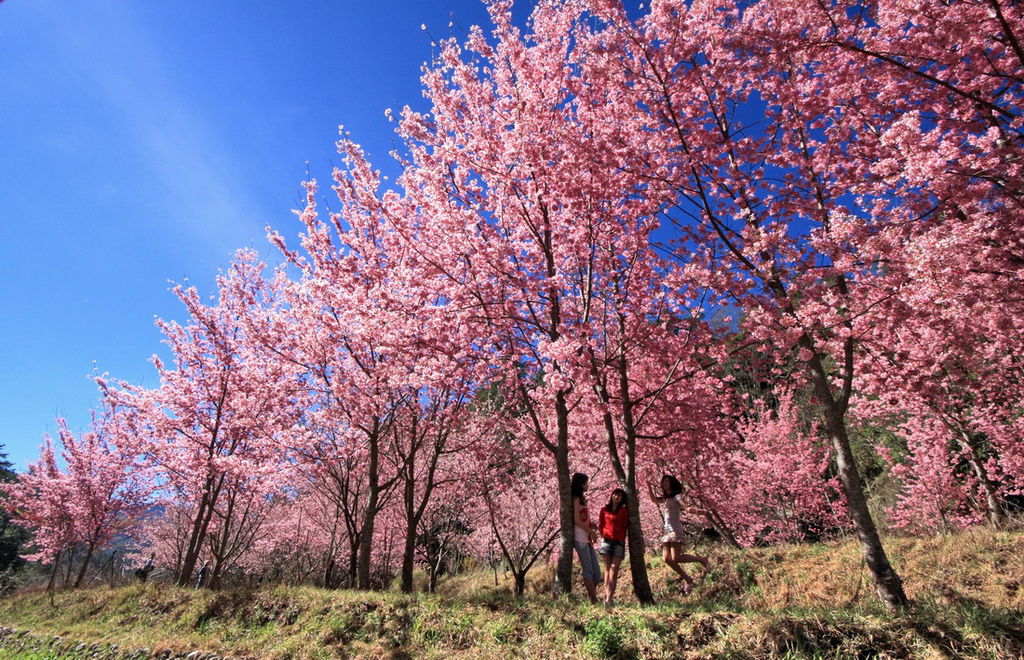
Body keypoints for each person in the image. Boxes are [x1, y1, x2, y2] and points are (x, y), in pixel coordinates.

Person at [647, 474, 711, 594]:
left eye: (667, 481)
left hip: (675, 529)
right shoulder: (666, 498)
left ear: (672, 483)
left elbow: (686, 507)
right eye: (663, 481)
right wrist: (649, 486)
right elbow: (653, 500)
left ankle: (702, 559)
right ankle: (688, 579)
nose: (665, 483)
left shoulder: (677, 496)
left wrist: (698, 512)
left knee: (676, 558)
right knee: (666, 559)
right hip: (667, 530)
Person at [571, 472, 601, 603]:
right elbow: (576, 520)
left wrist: (592, 526)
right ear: (581, 484)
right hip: (580, 538)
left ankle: (592, 598)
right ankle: (593, 600)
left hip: (587, 538)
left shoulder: (582, 499)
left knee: (597, 573)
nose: (587, 485)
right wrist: (591, 531)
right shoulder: (576, 498)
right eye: (586, 483)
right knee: (588, 570)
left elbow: (583, 518)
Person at [597, 488, 629, 606]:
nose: (617, 497)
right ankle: (607, 597)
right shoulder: (604, 510)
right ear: (612, 495)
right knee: (607, 569)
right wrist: (604, 536)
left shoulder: (624, 511)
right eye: (615, 495)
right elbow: (601, 524)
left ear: (622, 499)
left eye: (620, 496)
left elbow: (625, 525)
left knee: (614, 570)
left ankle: (609, 598)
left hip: (619, 542)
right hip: (606, 541)